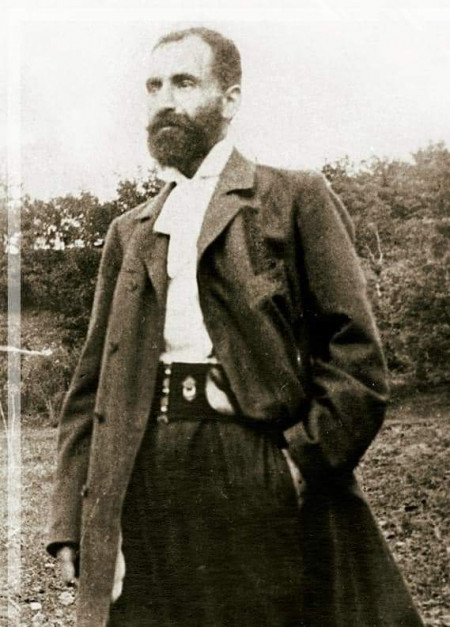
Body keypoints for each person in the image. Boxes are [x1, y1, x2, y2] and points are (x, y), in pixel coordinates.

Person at [47, 26, 424, 627]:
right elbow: (92, 385)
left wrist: (298, 464)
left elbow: (355, 359)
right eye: (153, 86)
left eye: (184, 82)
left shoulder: (293, 198)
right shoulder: (130, 231)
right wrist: (73, 516)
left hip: (250, 460)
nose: (164, 100)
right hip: (142, 474)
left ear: (230, 99)